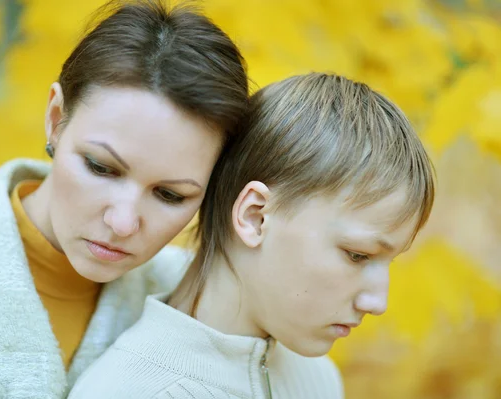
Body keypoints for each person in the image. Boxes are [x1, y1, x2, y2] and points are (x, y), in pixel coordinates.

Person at [0, 1, 249, 397]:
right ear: (55, 118)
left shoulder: (197, 308)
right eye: (101, 168)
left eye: (170, 195)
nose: (122, 223)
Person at [68, 72, 436, 398]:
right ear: (255, 216)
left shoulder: (317, 379)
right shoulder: (134, 389)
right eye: (358, 254)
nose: (378, 301)